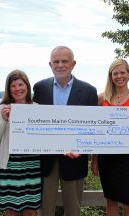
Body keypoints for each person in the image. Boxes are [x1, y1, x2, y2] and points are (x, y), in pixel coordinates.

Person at [32, 46, 98, 216]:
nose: (60, 65)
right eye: (56, 61)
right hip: (46, 159)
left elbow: (93, 128)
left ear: (73, 64)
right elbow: (33, 123)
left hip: (75, 159)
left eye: (64, 61)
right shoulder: (39, 88)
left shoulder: (89, 91)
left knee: (73, 209)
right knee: (44, 210)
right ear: (50, 64)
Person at [91, 59, 129, 216]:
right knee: (111, 201)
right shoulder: (101, 99)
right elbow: (96, 131)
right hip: (107, 157)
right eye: (115, 73)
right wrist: (95, 159)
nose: (119, 76)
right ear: (110, 76)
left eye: (122, 72)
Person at [0, 70, 41, 216]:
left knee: (30, 211)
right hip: (9, 165)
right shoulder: (2, 109)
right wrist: (4, 121)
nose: (18, 89)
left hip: (31, 166)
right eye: (13, 86)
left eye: (20, 84)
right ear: (8, 89)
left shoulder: (37, 108)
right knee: (10, 211)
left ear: (27, 86)